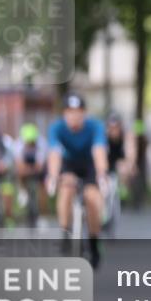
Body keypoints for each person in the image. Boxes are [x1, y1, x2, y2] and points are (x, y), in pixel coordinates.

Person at [46, 94, 109, 268]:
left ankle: (94, 242)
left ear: (84, 113)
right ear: (64, 114)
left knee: (92, 198)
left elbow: (99, 151)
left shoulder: (95, 126)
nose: (74, 117)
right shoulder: (56, 128)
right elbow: (54, 154)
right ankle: (65, 233)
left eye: (78, 112)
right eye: (70, 112)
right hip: (68, 165)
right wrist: (53, 176)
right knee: (66, 190)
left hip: (89, 165)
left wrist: (102, 174)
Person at [14, 123, 49, 227]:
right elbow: (19, 165)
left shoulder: (42, 144)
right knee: (19, 173)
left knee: (43, 188)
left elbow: (40, 167)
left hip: (37, 165)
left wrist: (31, 170)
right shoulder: (18, 144)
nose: (29, 144)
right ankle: (22, 190)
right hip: (25, 163)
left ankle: (42, 215)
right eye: (27, 142)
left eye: (32, 142)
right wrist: (25, 171)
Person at [105, 112, 137, 205]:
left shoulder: (127, 136)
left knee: (124, 169)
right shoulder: (104, 136)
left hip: (121, 160)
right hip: (108, 159)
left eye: (116, 127)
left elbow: (131, 152)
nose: (114, 130)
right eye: (111, 127)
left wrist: (130, 164)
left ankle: (123, 192)